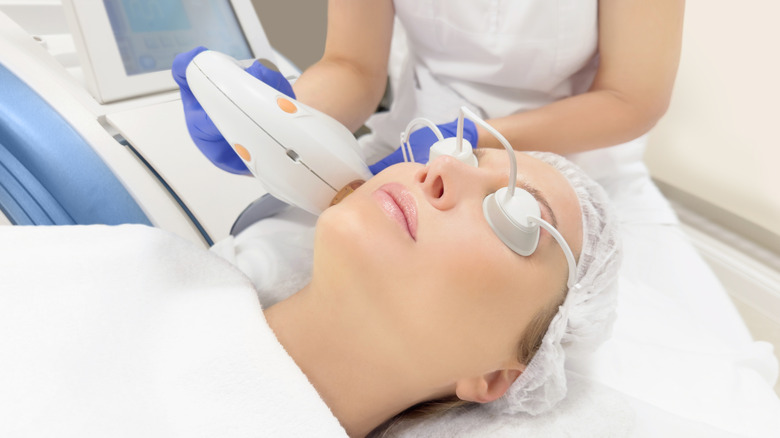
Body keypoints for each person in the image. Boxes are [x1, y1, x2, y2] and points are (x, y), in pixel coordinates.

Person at [0, 150, 621, 437]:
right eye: (467, 150)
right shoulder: (138, 261)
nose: (444, 169)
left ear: (494, 376)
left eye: (513, 211)